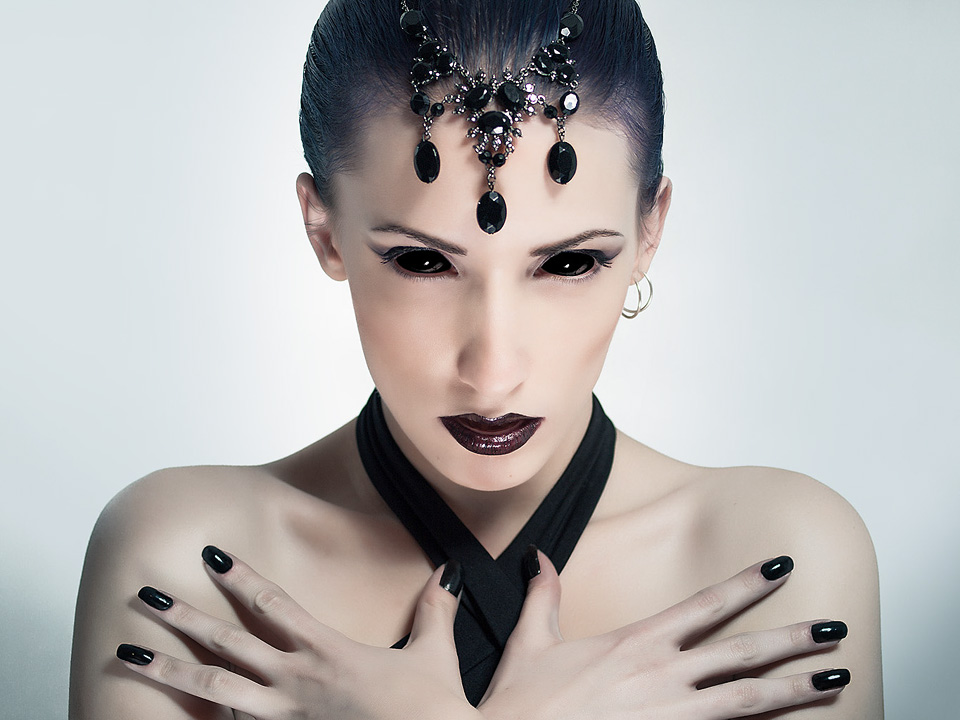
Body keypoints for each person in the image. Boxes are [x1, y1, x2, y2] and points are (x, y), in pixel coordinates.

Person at [69, 1, 882, 718]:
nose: (493, 373)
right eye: (423, 262)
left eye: (569, 263)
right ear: (325, 231)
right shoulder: (188, 560)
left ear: (650, 232)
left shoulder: (771, 557)